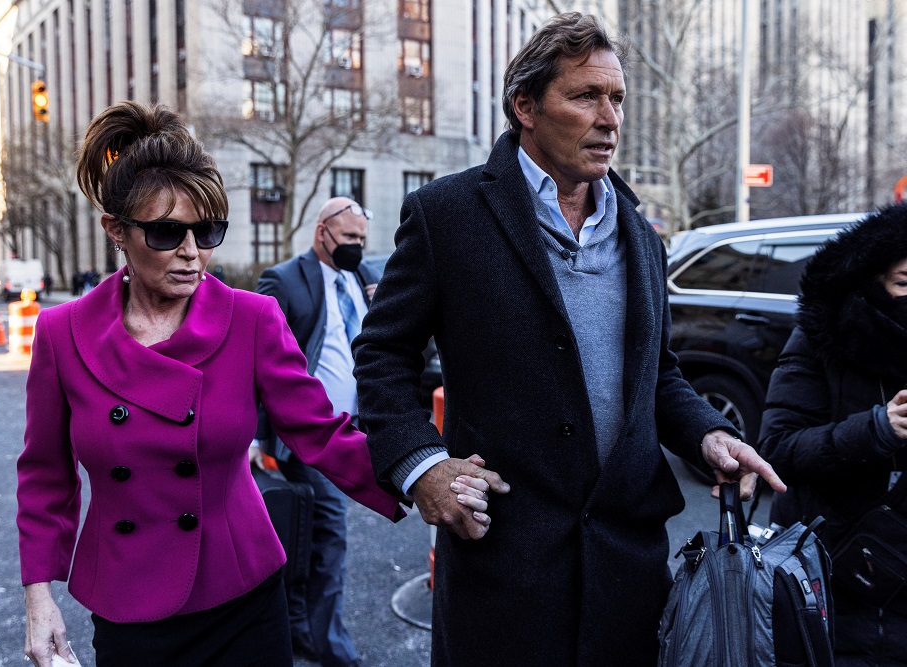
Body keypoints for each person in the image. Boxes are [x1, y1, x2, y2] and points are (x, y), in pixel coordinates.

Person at [353, 12, 786, 665]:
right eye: (586, 96)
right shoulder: (448, 215)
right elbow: (383, 354)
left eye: (617, 99)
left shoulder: (642, 237)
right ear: (525, 105)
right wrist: (422, 465)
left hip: (628, 579)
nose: (609, 117)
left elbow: (657, 377)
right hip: (503, 577)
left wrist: (707, 433)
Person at [15, 101, 407, 667]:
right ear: (116, 231)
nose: (192, 252)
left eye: (207, 231)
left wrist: (423, 476)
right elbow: (46, 475)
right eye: (167, 232)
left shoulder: (251, 318)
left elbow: (319, 431)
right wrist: (39, 598)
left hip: (242, 590)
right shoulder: (62, 333)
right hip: (130, 602)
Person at [759, 204, 907, 665]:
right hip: (835, 584)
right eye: (904, 283)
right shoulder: (824, 338)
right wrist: (878, 429)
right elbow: (778, 448)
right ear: (870, 280)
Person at [253, 197, 377, 667]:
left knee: (306, 536)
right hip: (305, 436)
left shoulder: (363, 279)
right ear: (322, 231)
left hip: (353, 432)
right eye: (348, 238)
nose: (356, 247)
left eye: (362, 240)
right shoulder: (284, 280)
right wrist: (257, 439)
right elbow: (259, 363)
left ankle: (299, 631)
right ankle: (332, 648)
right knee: (329, 531)